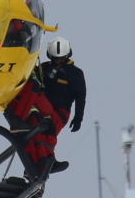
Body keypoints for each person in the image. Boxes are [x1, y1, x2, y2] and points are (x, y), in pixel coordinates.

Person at [5, 37, 87, 175]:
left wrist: (78, 118)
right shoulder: (44, 68)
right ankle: (38, 163)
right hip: (42, 106)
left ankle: (45, 162)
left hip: (60, 110)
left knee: (47, 134)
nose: (59, 60)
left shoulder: (75, 73)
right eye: (56, 58)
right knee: (34, 131)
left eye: (62, 58)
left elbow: (80, 96)